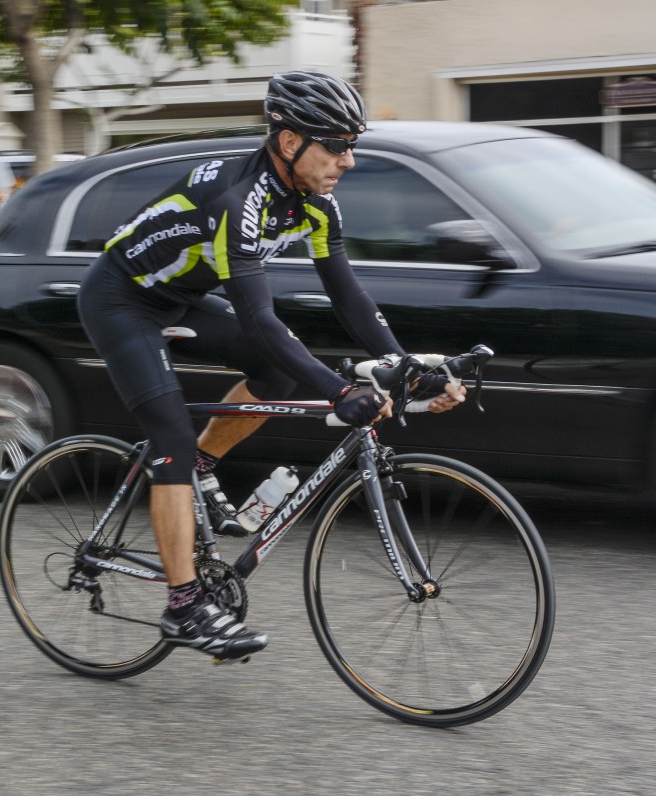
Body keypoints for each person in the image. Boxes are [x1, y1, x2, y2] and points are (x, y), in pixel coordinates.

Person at [78, 70, 466, 661]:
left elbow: (349, 298)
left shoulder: (314, 204)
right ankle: (182, 606)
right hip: (120, 299)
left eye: (352, 144)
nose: (350, 160)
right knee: (170, 439)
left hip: (178, 295)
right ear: (290, 143)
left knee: (277, 373)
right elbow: (259, 318)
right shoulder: (240, 199)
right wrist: (340, 391)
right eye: (336, 144)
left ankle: (204, 465)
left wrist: (409, 364)